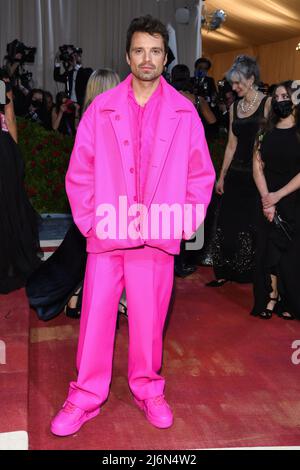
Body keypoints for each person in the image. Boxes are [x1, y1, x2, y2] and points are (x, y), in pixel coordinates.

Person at [50, 14, 215, 436]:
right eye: (139, 50)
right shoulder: (102, 109)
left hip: (157, 237)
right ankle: (85, 395)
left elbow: (201, 177)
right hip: (108, 233)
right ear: (128, 55)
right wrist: (90, 223)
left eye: (155, 51)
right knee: (95, 321)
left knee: (148, 323)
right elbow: (80, 170)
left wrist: (181, 223)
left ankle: (148, 390)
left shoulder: (184, 112)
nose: (147, 58)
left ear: (165, 58)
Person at [26, 69, 121, 321]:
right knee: (91, 255)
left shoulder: (86, 115)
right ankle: (83, 300)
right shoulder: (109, 117)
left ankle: (74, 300)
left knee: (81, 254)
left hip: (88, 196)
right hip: (104, 196)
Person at [207, 55, 271, 287]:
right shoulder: (235, 107)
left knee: (251, 224)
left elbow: (272, 139)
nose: (234, 88)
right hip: (235, 173)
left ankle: (249, 272)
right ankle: (225, 270)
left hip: (257, 175)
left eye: (238, 83)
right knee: (227, 222)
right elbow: (231, 144)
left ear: (252, 78)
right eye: (232, 83)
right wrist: (221, 176)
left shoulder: (268, 104)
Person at [251, 81, 300, 320]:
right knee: (267, 251)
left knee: (291, 255)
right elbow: (257, 166)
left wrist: (277, 197)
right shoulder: (264, 131)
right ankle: (270, 297)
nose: (281, 100)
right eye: (277, 96)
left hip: (293, 200)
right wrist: (266, 199)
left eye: (286, 95)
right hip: (266, 198)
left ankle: (290, 299)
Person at [0, 71, 41, 294]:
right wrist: (15, 154)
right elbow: (10, 116)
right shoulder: (1, 82)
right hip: (3, 148)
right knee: (8, 206)